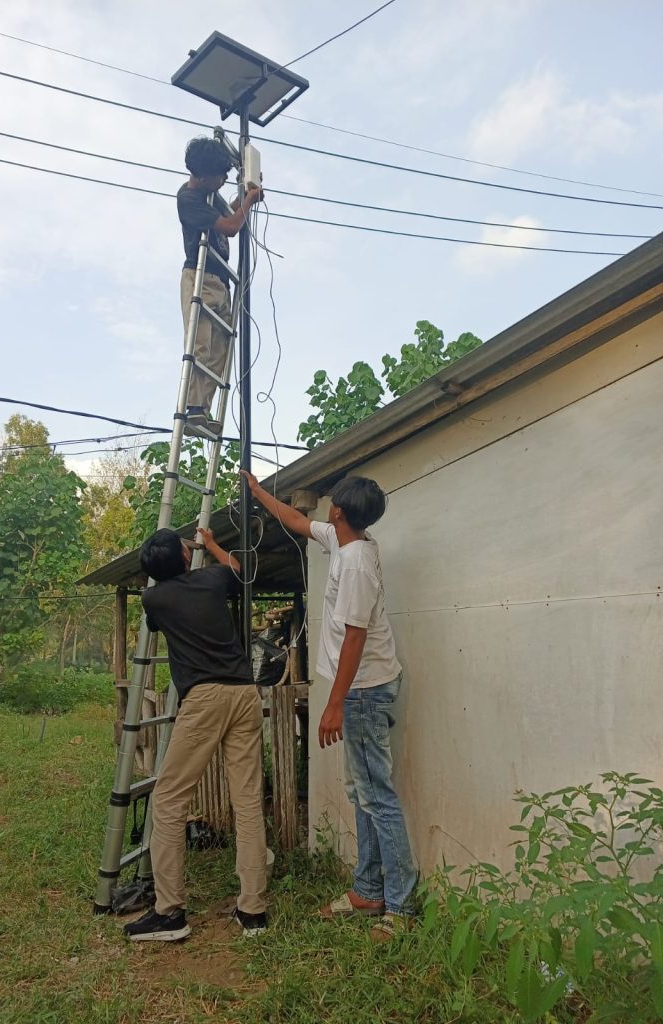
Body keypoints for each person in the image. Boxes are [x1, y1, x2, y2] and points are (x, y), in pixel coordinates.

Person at [241, 471, 418, 939]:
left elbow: (356, 636)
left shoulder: (357, 561)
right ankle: (367, 889)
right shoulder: (344, 540)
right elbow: (298, 523)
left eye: (331, 501)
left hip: (363, 690)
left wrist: (335, 703)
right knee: (364, 792)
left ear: (338, 511)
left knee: (377, 795)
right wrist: (258, 492)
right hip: (359, 688)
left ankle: (399, 906)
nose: (324, 506)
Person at [123, 526, 267, 942]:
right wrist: (212, 544)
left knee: (168, 799)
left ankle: (170, 912)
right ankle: (252, 910)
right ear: (187, 558)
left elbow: (158, 611)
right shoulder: (211, 579)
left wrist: (185, 556)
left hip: (204, 700)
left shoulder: (155, 598)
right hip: (243, 693)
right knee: (247, 801)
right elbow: (235, 567)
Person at [177, 137, 263, 438]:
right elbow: (229, 227)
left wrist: (246, 195)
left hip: (220, 282)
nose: (224, 179)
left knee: (221, 348)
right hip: (199, 277)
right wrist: (249, 203)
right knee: (200, 345)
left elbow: (229, 216)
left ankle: (202, 409)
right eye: (220, 176)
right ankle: (192, 409)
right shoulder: (188, 199)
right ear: (203, 177)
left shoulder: (211, 197)